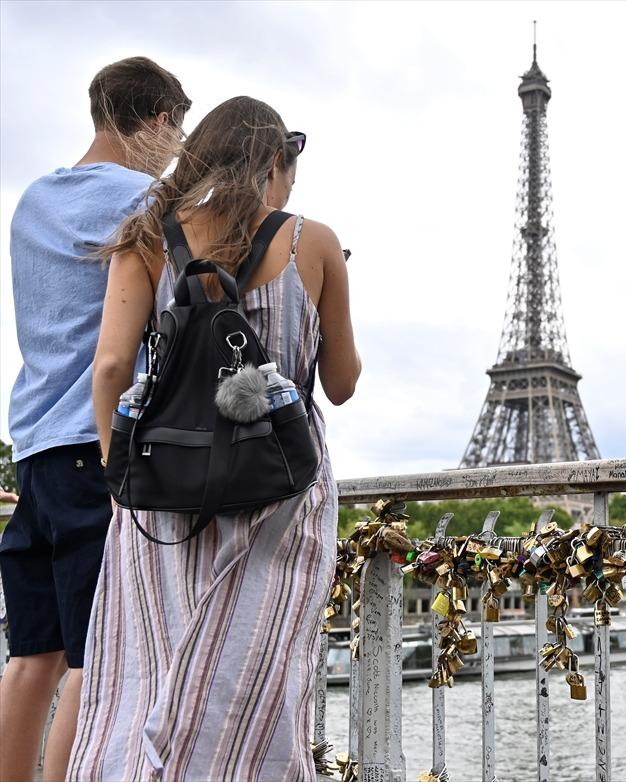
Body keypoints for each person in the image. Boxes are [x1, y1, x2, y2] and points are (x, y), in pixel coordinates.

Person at [68, 95, 360, 781]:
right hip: (279, 496)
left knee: (149, 675)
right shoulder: (310, 240)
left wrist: (118, 480)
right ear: (271, 164)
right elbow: (342, 383)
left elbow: (110, 366)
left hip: (165, 490)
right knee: (260, 689)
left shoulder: (145, 236)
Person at [0, 56, 189, 782]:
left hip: (37, 444)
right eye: (176, 135)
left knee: (32, 656)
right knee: (96, 657)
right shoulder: (150, 202)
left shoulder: (32, 201)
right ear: (159, 119)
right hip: (99, 443)